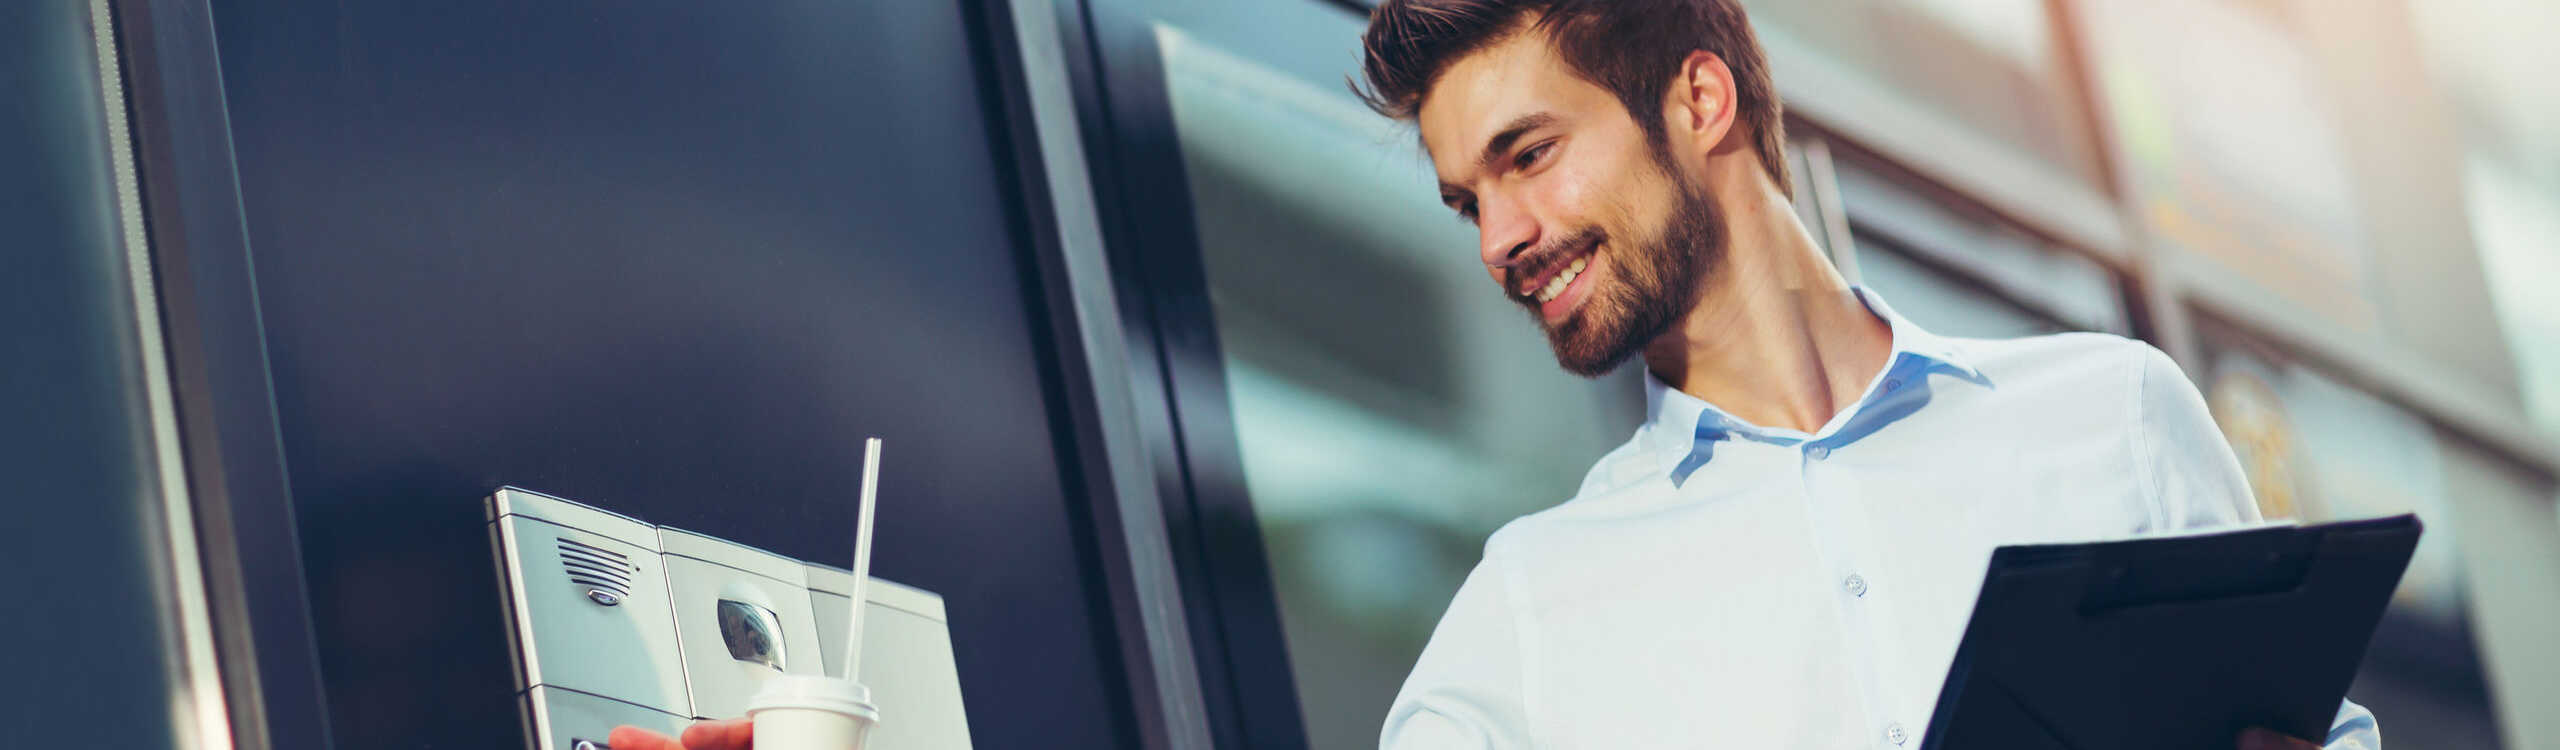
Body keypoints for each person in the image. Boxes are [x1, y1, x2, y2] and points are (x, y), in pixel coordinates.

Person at [1352, 1, 2374, 748]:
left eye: (1526, 156)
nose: (1498, 240)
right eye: (1465, 203)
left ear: (1698, 100)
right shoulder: (1531, 606)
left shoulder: (2116, 416)